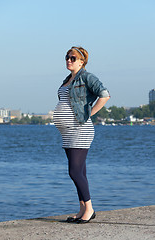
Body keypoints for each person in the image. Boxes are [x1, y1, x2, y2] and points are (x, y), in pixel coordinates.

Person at [53, 46, 110, 224]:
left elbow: (105, 95)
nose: (68, 60)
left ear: (82, 61)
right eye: (67, 57)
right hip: (67, 132)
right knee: (80, 172)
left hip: (81, 130)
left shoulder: (87, 77)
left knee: (74, 171)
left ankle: (90, 209)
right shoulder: (68, 79)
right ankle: (82, 209)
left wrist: (89, 114)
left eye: (72, 58)